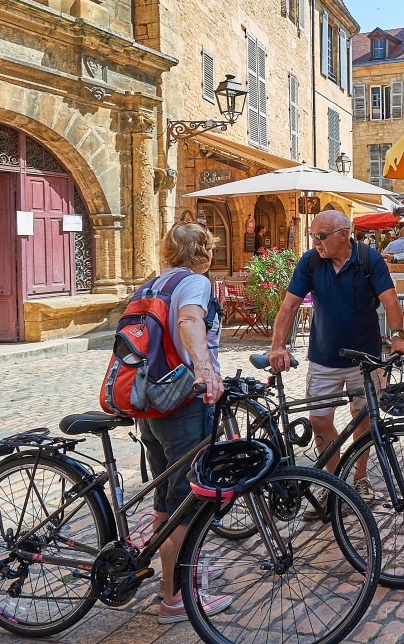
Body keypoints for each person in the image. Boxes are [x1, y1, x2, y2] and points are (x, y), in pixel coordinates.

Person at [267, 210, 404, 492]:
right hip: (324, 358)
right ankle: (335, 484)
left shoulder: (368, 259)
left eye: (321, 236)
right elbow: (289, 306)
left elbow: (390, 300)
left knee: (363, 419)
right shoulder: (311, 262)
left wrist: (398, 338)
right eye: (313, 236)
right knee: (319, 420)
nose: (316, 242)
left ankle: (360, 478)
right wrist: (278, 345)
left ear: (343, 234)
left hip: (366, 359)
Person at [140, 223, 230, 623]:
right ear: (204, 252)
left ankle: (175, 579)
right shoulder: (194, 282)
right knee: (187, 503)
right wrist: (205, 371)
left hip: (152, 401)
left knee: (166, 504)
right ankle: (175, 598)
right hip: (183, 402)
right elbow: (190, 321)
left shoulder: (153, 283)